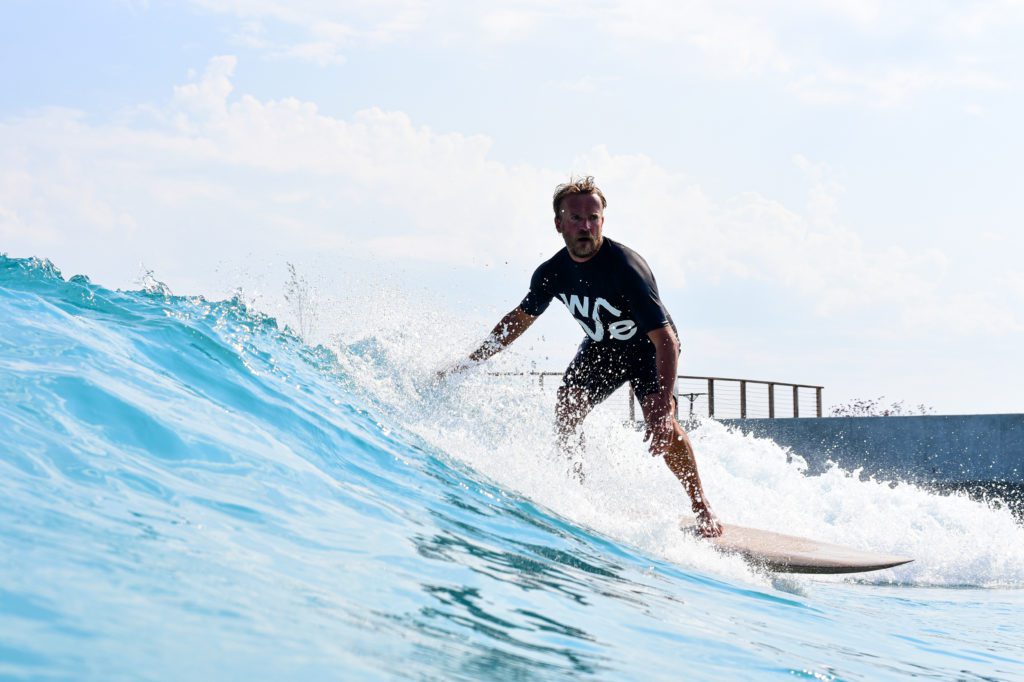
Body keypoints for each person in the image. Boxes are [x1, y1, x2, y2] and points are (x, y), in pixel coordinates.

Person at [439, 176, 722, 537]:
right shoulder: (551, 273)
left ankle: (702, 507)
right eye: (576, 218)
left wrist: (664, 405)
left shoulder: (626, 266)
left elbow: (666, 340)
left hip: (647, 349)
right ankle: (575, 492)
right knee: (568, 404)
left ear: (603, 220)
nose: (585, 226)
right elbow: (518, 320)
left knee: (659, 419)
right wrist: (470, 361)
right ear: (559, 224)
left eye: (593, 217)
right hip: (601, 347)